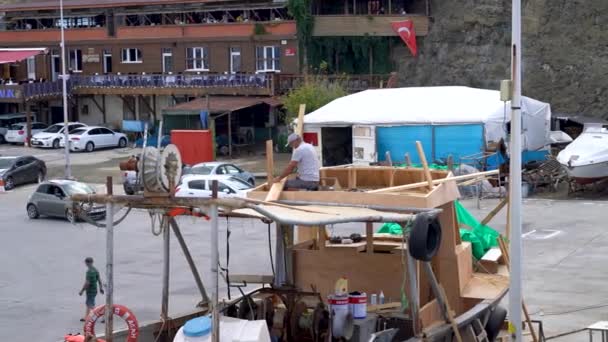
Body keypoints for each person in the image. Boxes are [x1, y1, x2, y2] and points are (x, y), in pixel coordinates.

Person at [79, 257, 104, 322]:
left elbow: (87, 283)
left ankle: (102, 316)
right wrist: (101, 288)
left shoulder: (89, 272)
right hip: (95, 289)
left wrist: (82, 291)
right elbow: (99, 279)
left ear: (87, 263)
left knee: (91, 305)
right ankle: (86, 317)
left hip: (90, 290)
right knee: (88, 303)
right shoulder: (95, 270)